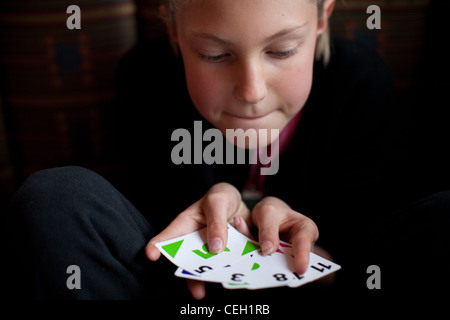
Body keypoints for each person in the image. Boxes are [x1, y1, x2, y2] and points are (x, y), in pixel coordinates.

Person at [4, 0, 450, 307]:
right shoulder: (146, 79)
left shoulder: (360, 84)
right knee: (56, 198)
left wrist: (299, 242)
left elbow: (366, 245)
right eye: (214, 55)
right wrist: (216, 202)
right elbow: (147, 240)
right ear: (174, 30)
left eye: (282, 50)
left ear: (321, 18)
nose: (252, 92)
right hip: (186, 299)